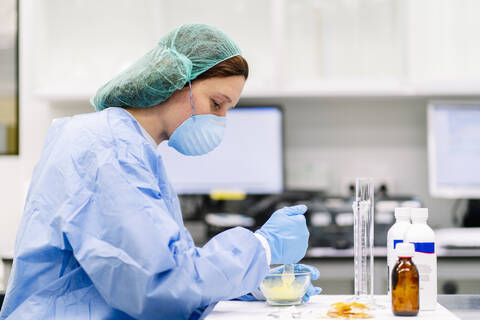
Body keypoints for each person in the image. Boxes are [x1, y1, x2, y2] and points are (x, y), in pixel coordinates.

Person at [0, 24, 321, 320]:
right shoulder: (109, 151)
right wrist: (262, 247)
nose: (221, 120)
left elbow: (154, 266)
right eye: (216, 103)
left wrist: (247, 279)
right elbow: (161, 286)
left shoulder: (125, 146)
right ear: (177, 80)